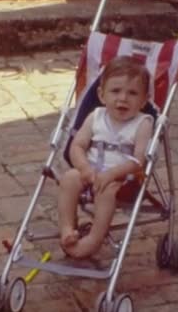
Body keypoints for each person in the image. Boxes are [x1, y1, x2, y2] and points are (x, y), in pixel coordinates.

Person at [58, 56, 154, 259]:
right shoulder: (96, 116)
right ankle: (67, 228)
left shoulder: (143, 123)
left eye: (133, 93)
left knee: (107, 192)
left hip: (123, 180)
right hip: (91, 171)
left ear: (144, 100)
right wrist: (84, 168)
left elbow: (139, 161)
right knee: (69, 178)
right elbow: (77, 146)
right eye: (115, 91)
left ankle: (93, 239)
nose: (123, 98)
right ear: (101, 95)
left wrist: (112, 174)